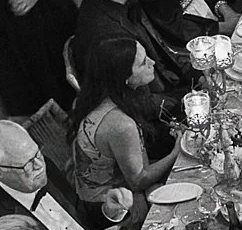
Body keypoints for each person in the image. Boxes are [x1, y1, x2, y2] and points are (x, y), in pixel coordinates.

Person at [68, 38, 173, 215]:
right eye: (142, 63)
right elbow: (138, 180)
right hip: (110, 204)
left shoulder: (97, 95)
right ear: (125, 78)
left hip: (116, 179)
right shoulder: (120, 124)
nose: (152, 63)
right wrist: (176, 153)